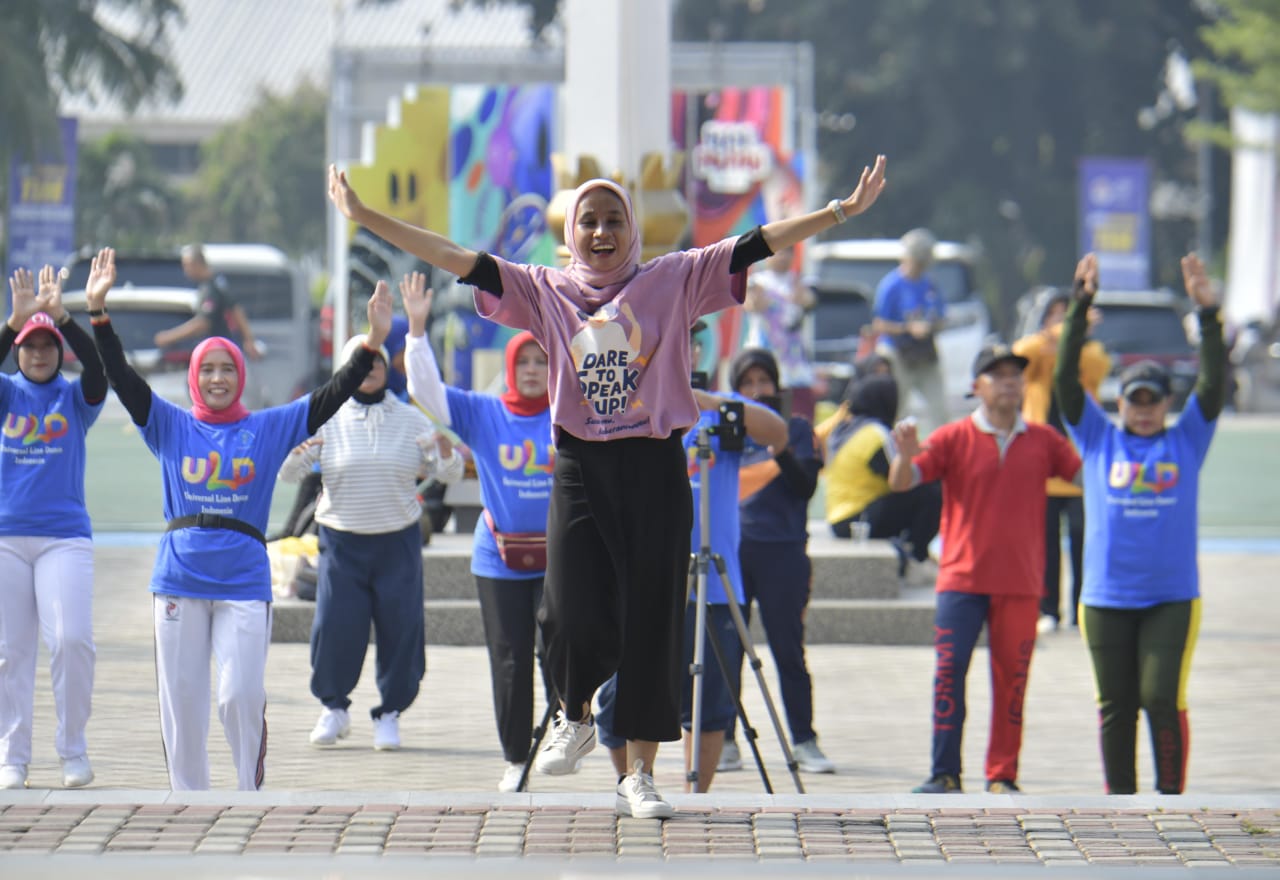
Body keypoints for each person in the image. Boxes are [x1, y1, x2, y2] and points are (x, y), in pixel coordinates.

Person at [327, 154, 887, 817]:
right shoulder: (543, 289)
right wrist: (365, 216)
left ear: (633, 229)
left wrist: (841, 211)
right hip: (579, 463)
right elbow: (452, 255)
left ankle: (640, 776)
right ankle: (575, 714)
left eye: (613, 220)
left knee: (652, 618)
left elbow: (757, 242)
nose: (600, 232)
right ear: (570, 234)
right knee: (566, 607)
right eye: (588, 221)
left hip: (653, 464)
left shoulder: (674, 278)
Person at [89, 258, 393, 791]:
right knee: (183, 701)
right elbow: (122, 377)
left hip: (244, 581)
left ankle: (248, 794)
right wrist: (98, 313)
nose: (217, 378)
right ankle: (189, 801)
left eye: (227, 369)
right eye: (207, 369)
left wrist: (371, 342)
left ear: (241, 376)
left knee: (239, 696)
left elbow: (331, 396)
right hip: (179, 580)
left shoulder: (268, 428)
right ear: (194, 377)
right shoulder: (168, 424)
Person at [1054, 253, 1223, 795]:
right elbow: (1064, 381)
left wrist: (1208, 315)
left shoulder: (1187, 439)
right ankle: (1120, 808)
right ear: (1120, 403)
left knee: (1159, 697)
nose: (1144, 410)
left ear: (1167, 403)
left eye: (1153, 401)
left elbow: (1214, 386)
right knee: (1116, 704)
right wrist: (1080, 306)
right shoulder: (1097, 438)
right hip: (1105, 597)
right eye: (1135, 401)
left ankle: (1170, 802)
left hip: (1171, 597)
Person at [888, 341, 1081, 794]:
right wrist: (904, 454)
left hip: (1021, 582)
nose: (1009, 382)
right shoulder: (953, 437)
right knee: (949, 672)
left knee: (1012, 682)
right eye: (998, 375)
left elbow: (1087, 476)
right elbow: (902, 482)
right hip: (962, 579)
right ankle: (944, 772)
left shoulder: (1044, 440)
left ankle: (1002, 775)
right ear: (976, 386)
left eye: (1016, 374)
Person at [401, 271, 558, 793]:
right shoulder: (483, 412)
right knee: (510, 658)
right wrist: (417, 331)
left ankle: (562, 732)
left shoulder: (570, 414)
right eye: (524, 362)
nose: (533, 370)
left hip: (562, 559)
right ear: (510, 368)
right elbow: (425, 391)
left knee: (560, 651)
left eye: (541, 361)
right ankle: (516, 758)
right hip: (499, 558)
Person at [596, 377, 789, 792]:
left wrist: (710, 403)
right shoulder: (631, 401)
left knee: (710, 704)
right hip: (644, 578)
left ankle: (695, 797)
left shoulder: (718, 408)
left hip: (714, 583)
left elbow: (778, 434)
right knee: (617, 700)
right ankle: (632, 784)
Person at [279, 330, 462, 755]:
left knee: (401, 629)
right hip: (341, 543)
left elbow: (450, 474)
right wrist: (299, 453)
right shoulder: (326, 417)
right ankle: (333, 709)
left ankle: (390, 713)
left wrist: (445, 452)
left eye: (377, 360)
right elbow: (288, 475)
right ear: (347, 368)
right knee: (336, 626)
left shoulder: (412, 419)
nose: (370, 368)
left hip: (397, 543)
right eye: (361, 361)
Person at [0, 258, 110, 790]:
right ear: (18, 351)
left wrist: (63, 317)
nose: (39, 353)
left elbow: (101, 370)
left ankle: (73, 749)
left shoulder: (74, 397)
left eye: (49, 346)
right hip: (5, 539)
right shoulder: (6, 392)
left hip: (64, 538)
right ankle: (12, 757)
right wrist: (12, 322)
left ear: (59, 351)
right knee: (10, 653)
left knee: (71, 641)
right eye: (30, 345)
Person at [720, 347, 834, 775]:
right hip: (731, 555)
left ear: (777, 385)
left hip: (783, 554)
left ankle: (804, 740)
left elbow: (806, 488)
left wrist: (780, 447)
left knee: (788, 650)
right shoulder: (721, 431)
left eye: (763, 381)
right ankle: (723, 739)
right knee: (727, 649)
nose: (756, 390)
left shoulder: (798, 429)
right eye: (746, 383)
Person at [1013, 288, 1111, 632]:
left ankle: (1083, 607)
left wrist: (1071, 339)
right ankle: (1048, 610)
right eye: (1056, 315)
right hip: (1041, 464)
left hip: (1080, 462)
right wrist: (1064, 331)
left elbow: (1097, 367)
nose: (1062, 322)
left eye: (1068, 315)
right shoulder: (1036, 351)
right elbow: (1020, 355)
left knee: (1085, 537)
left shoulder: (1090, 351)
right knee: (1045, 541)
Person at [824, 372, 942, 578]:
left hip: (839, 518)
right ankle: (916, 557)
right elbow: (900, 480)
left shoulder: (847, 428)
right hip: (858, 520)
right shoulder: (874, 434)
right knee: (931, 491)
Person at [872, 228, 948, 436]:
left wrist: (930, 326)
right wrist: (907, 328)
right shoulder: (892, 285)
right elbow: (879, 324)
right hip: (898, 352)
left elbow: (942, 317)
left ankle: (941, 446)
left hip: (924, 353)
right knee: (897, 409)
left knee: (940, 409)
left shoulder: (930, 284)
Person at [743, 247, 817, 420]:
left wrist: (797, 286)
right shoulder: (756, 282)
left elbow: (809, 301)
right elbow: (752, 305)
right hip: (764, 363)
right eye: (778, 252)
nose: (782, 257)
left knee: (800, 419)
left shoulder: (801, 282)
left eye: (787, 252)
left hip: (796, 368)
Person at [154, 243, 263, 361]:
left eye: (186, 265)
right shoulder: (218, 283)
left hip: (218, 351)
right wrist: (248, 339)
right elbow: (236, 309)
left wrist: (168, 337)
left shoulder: (210, 289)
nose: (185, 270)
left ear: (196, 264)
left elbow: (203, 324)